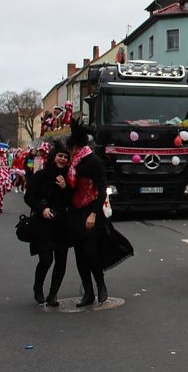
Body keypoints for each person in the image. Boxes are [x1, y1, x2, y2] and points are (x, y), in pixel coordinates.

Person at [65, 120, 132, 307]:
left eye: (71, 150)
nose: (70, 153)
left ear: (77, 147)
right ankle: (88, 292)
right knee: (79, 254)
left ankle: (101, 285)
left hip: (91, 210)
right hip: (76, 212)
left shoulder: (94, 162)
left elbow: (102, 190)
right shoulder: (73, 165)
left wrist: (93, 214)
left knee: (90, 252)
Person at [24, 141, 71, 306]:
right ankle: (38, 288)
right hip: (42, 223)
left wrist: (65, 187)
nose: (63, 159)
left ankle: (53, 294)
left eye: (66, 157)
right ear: (53, 157)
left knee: (61, 260)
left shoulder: (69, 177)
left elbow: (71, 200)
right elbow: (28, 197)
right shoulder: (41, 175)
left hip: (61, 224)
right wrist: (42, 208)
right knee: (45, 259)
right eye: (60, 156)